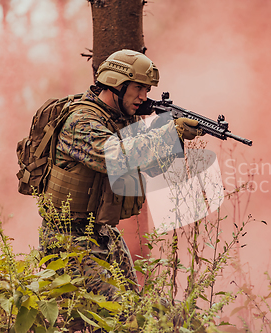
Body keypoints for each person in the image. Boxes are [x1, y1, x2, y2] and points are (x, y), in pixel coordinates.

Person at [39, 49, 200, 328]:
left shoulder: (122, 120)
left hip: (102, 233)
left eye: (147, 89)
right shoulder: (81, 121)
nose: (143, 96)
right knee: (121, 314)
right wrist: (168, 133)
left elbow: (147, 168)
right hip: (67, 239)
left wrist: (171, 139)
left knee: (139, 307)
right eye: (138, 87)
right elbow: (116, 157)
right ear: (117, 82)